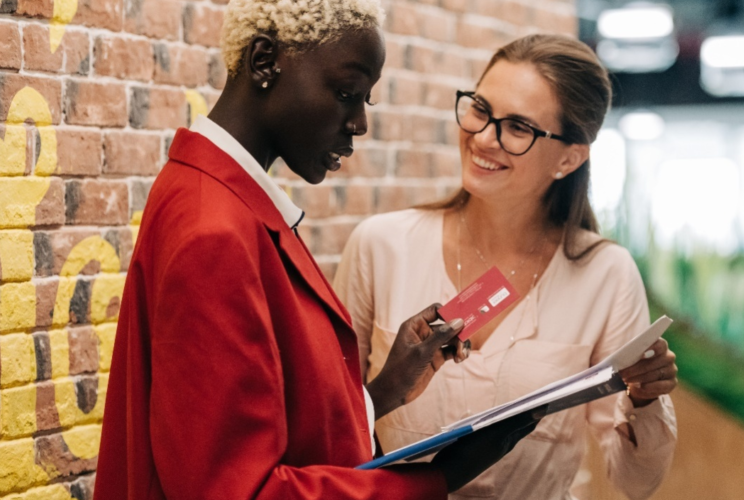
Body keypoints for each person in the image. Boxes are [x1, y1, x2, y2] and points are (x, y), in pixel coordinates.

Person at [94, 1, 544, 499]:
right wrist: (442, 476)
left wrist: (380, 393)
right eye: (346, 94)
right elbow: (237, 490)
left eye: (365, 101)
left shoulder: (214, 197)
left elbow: (268, 435)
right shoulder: (214, 230)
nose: (359, 125)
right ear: (265, 62)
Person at [334, 34, 679, 500]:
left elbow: (636, 481)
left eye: (517, 127)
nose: (482, 137)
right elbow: (329, 427)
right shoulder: (383, 246)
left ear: (569, 158)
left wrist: (644, 397)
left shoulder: (605, 273)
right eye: (479, 107)